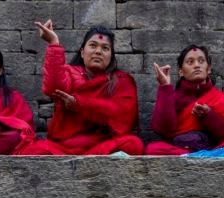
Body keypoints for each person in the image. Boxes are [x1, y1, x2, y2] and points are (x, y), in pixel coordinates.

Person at [18, 21, 144, 155]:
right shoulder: (70, 73)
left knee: (133, 144)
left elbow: (122, 113)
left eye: (105, 48)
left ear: (111, 57)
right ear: (83, 53)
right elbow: (53, 88)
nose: (98, 51)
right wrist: (54, 44)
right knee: (33, 150)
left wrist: (80, 104)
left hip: (101, 146)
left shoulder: (121, 80)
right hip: (65, 148)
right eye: (93, 46)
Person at [146, 44, 224, 156]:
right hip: (183, 148)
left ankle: (205, 156)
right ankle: (199, 156)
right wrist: (165, 86)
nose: (196, 65)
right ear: (181, 71)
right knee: (153, 148)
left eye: (201, 61)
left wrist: (209, 116)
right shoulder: (173, 97)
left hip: (214, 148)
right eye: (190, 62)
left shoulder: (222, 98)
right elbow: (163, 131)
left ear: (209, 69)